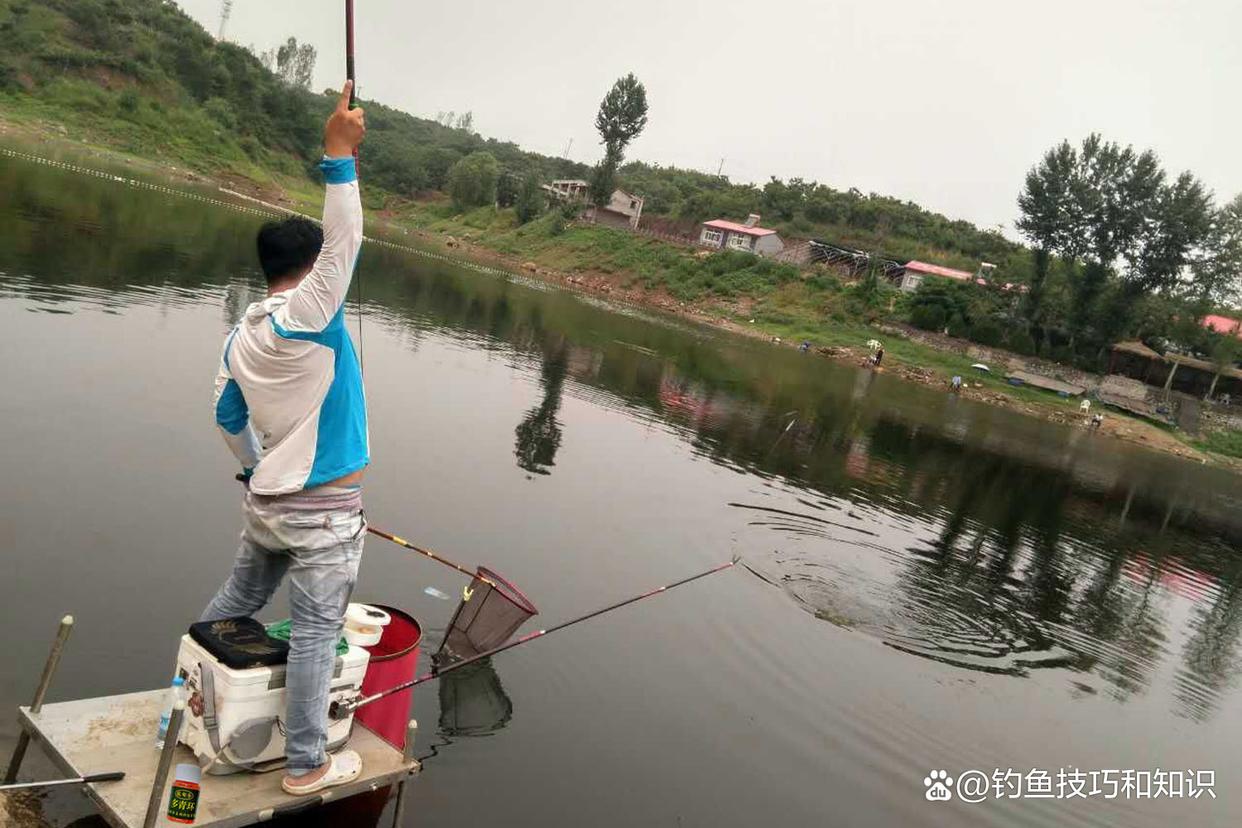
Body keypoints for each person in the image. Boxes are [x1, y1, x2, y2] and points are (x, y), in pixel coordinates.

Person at [199, 81, 369, 796]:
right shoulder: (309, 314)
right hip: (323, 515)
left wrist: (253, 472)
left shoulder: (244, 334)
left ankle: (188, 690)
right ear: (305, 268)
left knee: (232, 608)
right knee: (310, 634)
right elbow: (347, 241)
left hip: (268, 506)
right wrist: (338, 154)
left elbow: (227, 417)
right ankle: (306, 764)